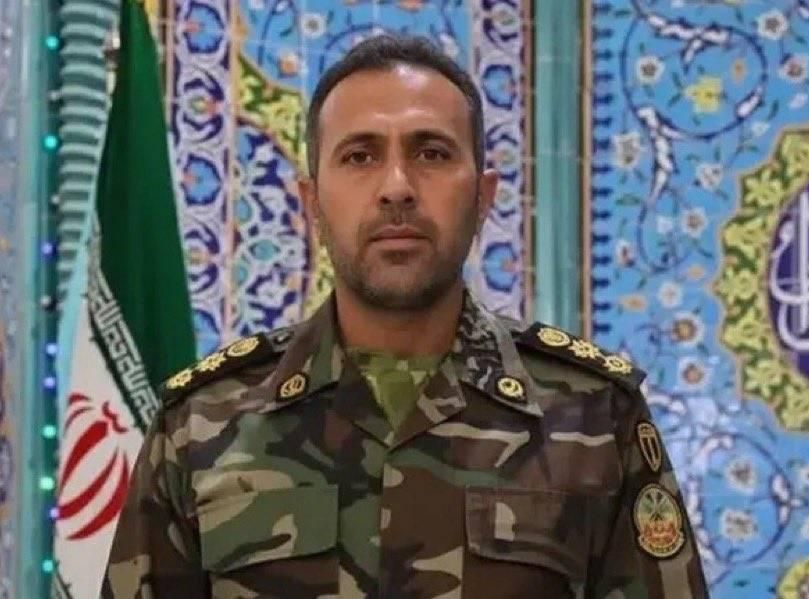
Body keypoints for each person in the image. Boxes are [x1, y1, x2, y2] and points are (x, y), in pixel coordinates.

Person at [101, 33, 708, 598]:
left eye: (432, 153)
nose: (397, 186)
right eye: (360, 156)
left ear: (484, 196)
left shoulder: (596, 417)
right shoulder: (201, 425)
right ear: (312, 203)